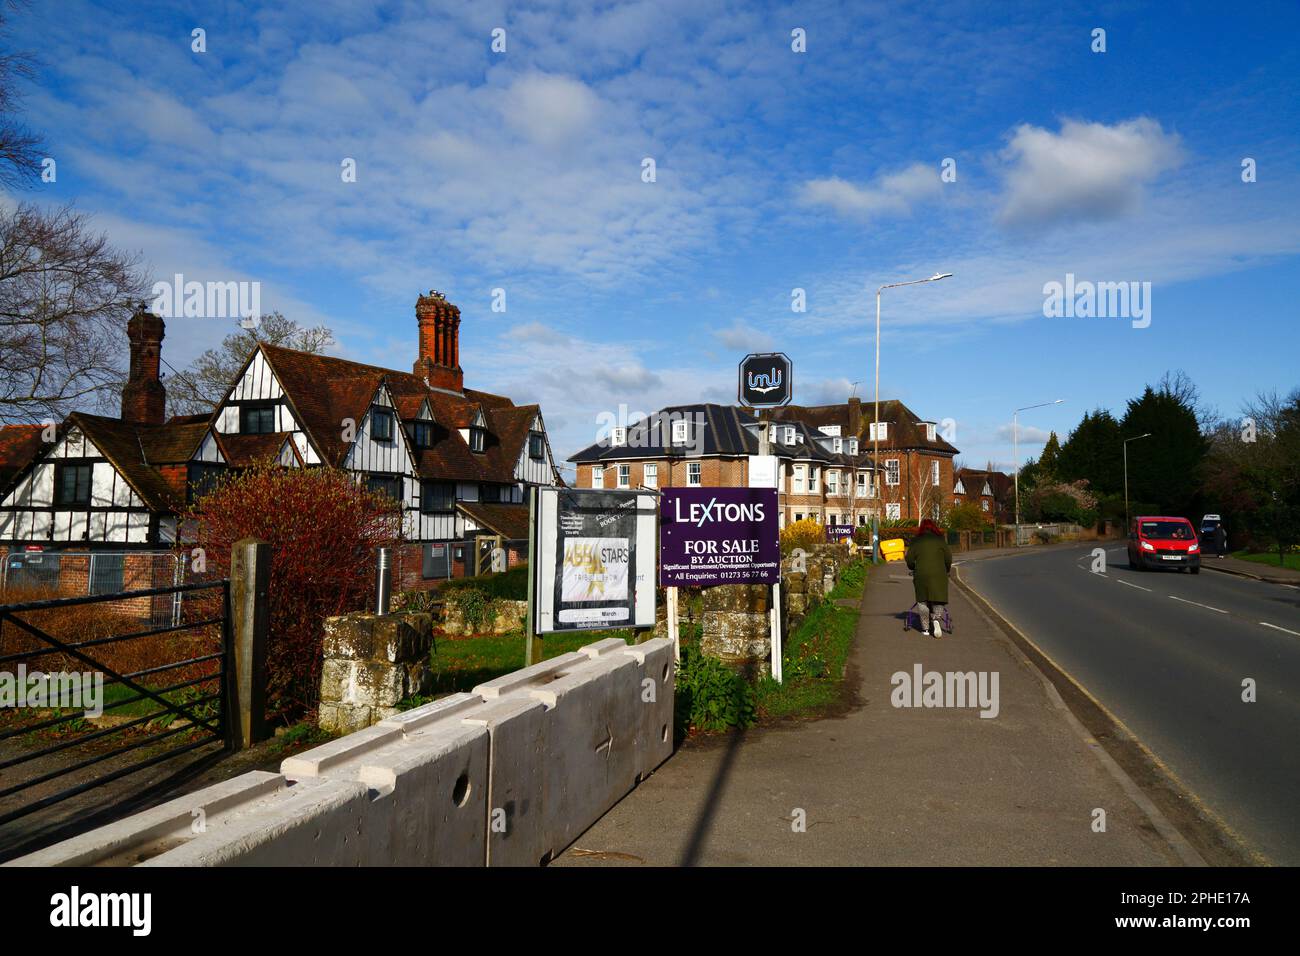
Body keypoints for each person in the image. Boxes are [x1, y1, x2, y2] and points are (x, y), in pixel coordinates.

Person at [905, 518, 953, 638]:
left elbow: (909, 558)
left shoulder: (917, 541)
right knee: (938, 598)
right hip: (939, 573)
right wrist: (946, 569)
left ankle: (925, 629)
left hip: (921, 573)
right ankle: (936, 619)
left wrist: (912, 567)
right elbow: (948, 558)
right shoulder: (940, 539)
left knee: (922, 600)